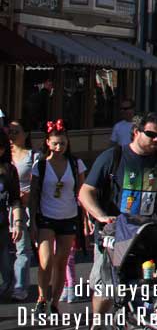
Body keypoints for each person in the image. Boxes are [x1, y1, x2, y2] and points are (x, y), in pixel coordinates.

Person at [78, 114, 157, 315]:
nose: (156, 140)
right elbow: (85, 191)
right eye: (151, 134)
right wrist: (101, 216)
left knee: (146, 285)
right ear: (136, 132)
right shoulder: (113, 156)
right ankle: (97, 324)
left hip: (148, 234)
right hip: (115, 235)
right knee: (105, 286)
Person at [28, 120, 86, 314]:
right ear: (47, 143)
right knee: (45, 261)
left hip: (68, 217)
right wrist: (32, 222)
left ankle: (54, 302)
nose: (59, 147)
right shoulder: (41, 165)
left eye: (62, 143)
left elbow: (81, 193)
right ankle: (41, 298)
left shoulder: (76, 164)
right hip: (46, 216)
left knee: (62, 261)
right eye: (55, 143)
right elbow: (34, 194)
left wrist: (85, 219)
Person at [8, 121, 36, 302]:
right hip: (5, 206)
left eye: (16, 131)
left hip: (24, 206)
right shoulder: (4, 155)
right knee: (5, 250)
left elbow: (39, 183)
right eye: (9, 131)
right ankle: (7, 283)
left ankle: (20, 288)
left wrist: (29, 193)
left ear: (25, 135)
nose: (12, 135)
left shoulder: (33, 156)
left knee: (22, 249)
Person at [0, 128, 25, 304]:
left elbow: (15, 200)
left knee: (5, 267)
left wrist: (17, 223)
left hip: (1, 225)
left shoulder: (9, 170)